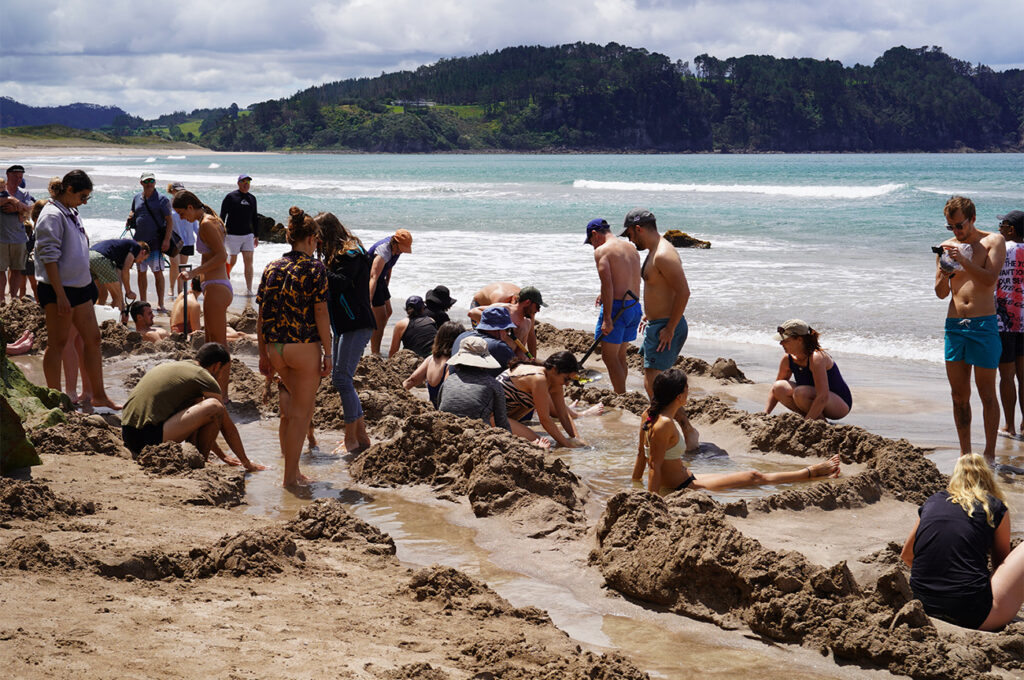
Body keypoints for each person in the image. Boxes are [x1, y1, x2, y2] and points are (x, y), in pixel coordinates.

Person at [634, 369, 840, 494]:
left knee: (745, 476)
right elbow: (654, 466)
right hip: (682, 486)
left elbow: (641, 457)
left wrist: (635, 484)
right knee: (753, 476)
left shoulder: (649, 414)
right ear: (679, 396)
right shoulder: (664, 424)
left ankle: (810, 474)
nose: (690, 392)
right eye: (687, 388)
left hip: (687, 478)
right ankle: (809, 473)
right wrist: (653, 504)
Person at [901, 453, 1024, 631]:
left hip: (924, 605)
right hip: (974, 615)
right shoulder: (994, 507)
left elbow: (906, 555)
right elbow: (1000, 565)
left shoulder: (933, 501)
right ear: (987, 479)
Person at [256, 206, 331, 489]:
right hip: (304, 347)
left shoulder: (271, 267)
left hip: (276, 348)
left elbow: (262, 316)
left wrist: (264, 353)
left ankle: (294, 471)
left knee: (288, 411)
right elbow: (321, 312)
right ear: (311, 238)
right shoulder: (315, 268)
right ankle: (289, 479)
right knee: (301, 414)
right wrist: (329, 352)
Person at [34, 170, 119, 411]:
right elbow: (48, 256)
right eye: (82, 196)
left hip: (81, 289)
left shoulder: (71, 211)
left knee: (93, 339)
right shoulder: (51, 214)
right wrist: (60, 294)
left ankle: (99, 395)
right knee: (58, 343)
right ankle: (53, 398)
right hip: (59, 290)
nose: (84, 201)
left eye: (87, 198)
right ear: (69, 189)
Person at [935, 195, 1006, 464]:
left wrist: (963, 261)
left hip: (983, 323)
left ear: (972, 219)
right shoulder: (946, 247)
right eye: (950, 227)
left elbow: (989, 281)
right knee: (958, 394)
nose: (956, 232)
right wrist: (947, 271)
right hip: (955, 325)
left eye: (960, 226)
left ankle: (989, 453)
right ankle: (964, 452)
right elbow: (940, 293)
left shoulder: (993, 241)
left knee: (987, 392)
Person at [620, 208, 698, 451]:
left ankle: (683, 431)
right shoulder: (655, 251)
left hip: (666, 326)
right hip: (658, 323)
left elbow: (684, 292)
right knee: (652, 382)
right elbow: (662, 289)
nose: (630, 240)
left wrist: (669, 327)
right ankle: (677, 429)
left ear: (639, 228)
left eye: (631, 234)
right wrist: (651, 316)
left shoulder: (664, 254)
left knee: (656, 383)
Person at [120, 341, 264, 471]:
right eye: (222, 371)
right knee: (215, 406)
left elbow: (200, 418)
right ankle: (199, 461)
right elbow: (225, 424)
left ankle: (199, 454)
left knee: (197, 402)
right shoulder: (205, 377)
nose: (220, 376)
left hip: (128, 434)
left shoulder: (180, 366)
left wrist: (222, 455)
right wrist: (246, 462)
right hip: (147, 440)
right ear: (217, 366)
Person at [317, 211, 374, 454]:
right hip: (344, 324)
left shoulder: (352, 253)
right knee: (341, 379)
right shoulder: (338, 254)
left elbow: (340, 282)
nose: (315, 240)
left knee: (342, 379)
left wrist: (317, 267)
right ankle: (361, 436)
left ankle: (350, 437)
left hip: (357, 322)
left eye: (317, 235)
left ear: (327, 233)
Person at [172, 190, 232, 396]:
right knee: (211, 344)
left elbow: (222, 255)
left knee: (218, 347)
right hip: (216, 284)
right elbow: (215, 254)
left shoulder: (206, 223)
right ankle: (214, 391)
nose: (181, 218)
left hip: (216, 285)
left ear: (190, 207)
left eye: (181, 213)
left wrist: (193, 273)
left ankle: (222, 395)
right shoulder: (209, 220)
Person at [584, 218, 642, 393]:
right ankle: (622, 390)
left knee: (609, 358)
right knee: (620, 356)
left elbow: (607, 284)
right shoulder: (630, 247)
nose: (593, 247)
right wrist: (604, 293)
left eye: (591, 242)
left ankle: (620, 395)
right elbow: (631, 276)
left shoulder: (602, 251)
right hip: (634, 305)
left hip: (617, 308)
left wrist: (607, 318)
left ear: (595, 234)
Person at [498, 351, 592, 448]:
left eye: (570, 380)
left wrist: (576, 438)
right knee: (539, 443)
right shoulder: (539, 379)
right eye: (566, 379)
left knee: (546, 442)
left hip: (506, 416)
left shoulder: (554, 381)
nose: (567, 384)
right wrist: (568, 445)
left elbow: (563, 415)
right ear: (554, 370)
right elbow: (545, 420)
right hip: (491, 416)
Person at [765, 320, 852, 420]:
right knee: (778, 387)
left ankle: (816, 422)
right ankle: (813, 418)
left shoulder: (816, 358)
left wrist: (806, 424)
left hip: (839, 404)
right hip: (811, 397)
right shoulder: (787, 359)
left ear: (799, 339)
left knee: (800, 393)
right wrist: (765, 414)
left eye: (785, 340)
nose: (781, 343)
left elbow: (823, 396)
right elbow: (774, 391)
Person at [438, 335, 511, 430]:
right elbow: (501, 422)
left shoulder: (449, 380)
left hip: (445, 432)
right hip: (477, 434)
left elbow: (439, 410)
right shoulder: (492, 384)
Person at [995, 210, 1024, 438]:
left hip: (1004, 322)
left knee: (1006, 376)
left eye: (1003, 225)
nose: (999, 229)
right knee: (1023, 376)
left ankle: (1009, 426)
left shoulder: (1002, 250)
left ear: (1012, 229)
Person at [128, 172, 174, 313]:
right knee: (141, 273)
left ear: (155, 182)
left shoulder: (162, 199)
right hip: (139, 244)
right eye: (146, 181)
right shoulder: (137, 198)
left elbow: (169, 221)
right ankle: (143, 302)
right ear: (141, 182)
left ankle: (160, 303)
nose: (149, 183)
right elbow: (133, 211)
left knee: (157, 272)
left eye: (152, 181)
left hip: (156, 244)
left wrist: (166, 240)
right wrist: (130, 217)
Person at [368, 228, 413, 354]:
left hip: (381, 281)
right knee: (380, 318)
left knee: (388, 312)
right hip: (370, 281)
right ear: (395, 242)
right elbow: (373, 277)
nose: (402, 252)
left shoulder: (397, 251)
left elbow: (389, 267)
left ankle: (373, 333)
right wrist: (368, 300)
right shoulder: (383, 250)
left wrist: (387, 284)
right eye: (401, 249)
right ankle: (375, 352)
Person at [468, 283, 544, 357]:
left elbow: (531, 334)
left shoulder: (529, 308)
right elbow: (475, 314)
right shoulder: (500, 304)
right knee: (488, 336)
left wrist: (533, 359)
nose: (538, 310)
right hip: (479, 304)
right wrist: (501, 324)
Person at [403, 320, 465, 407]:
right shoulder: (452, 364)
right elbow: (448, 391)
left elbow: (411, 381)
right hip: (445, 411)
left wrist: (396, 394)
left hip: (433, 408)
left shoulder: (430, 359)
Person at [219, 173, 259, 297]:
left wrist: (256, 235)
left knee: (249, 262)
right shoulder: (230, 197)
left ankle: (249, 289)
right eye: (243, 182)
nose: (246, 184)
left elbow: (254, 217)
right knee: (232, 261)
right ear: (238, 183)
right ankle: (224, 283)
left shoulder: (252, 198)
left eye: (248, 182)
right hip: (232, 235)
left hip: (248, 235)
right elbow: (222, 215)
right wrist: (221, 231)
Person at [0, 164, 35, 303]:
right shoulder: (1, 189)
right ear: (8, 175)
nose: (18, 179)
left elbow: (29, 210)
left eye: (20, 177)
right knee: (0, 270)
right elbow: (24, 208)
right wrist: (11, 200)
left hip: (19, 238)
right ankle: (1, 299)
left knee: (17, 270)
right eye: (15, 176)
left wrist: (15, 209)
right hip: (1, 237)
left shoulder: (24, 193)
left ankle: (13, 298)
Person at [452, 306, 517, 377]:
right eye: (507, 329)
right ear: (499, 330)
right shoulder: (499, 346)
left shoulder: (461, 336)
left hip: (450, 384)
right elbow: (518, 370)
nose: (507, 334)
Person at [89, 238, 149, 313]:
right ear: (143, 252)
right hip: (100, 258)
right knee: (117, 297)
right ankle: (116, 322)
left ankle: (95, 319)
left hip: (88, 257)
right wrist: (128, 291)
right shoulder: (136, 247)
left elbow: (118, 279)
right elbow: (125, 271)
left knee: (103, 294)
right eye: (144, 259)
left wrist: (123, 307)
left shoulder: (121, 254)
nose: (141, 262)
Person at [167, 181, 197, 297]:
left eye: (182, 190)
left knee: (183, 266)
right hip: (173, 239)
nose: (180, 192)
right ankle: (171, 287)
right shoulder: (168, 204)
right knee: (174, 264)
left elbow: (195, 223)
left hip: (188, 240)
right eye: (177, 190)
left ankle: (180, 290)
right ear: (172, 191)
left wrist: (201, 236)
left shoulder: (190, 205)